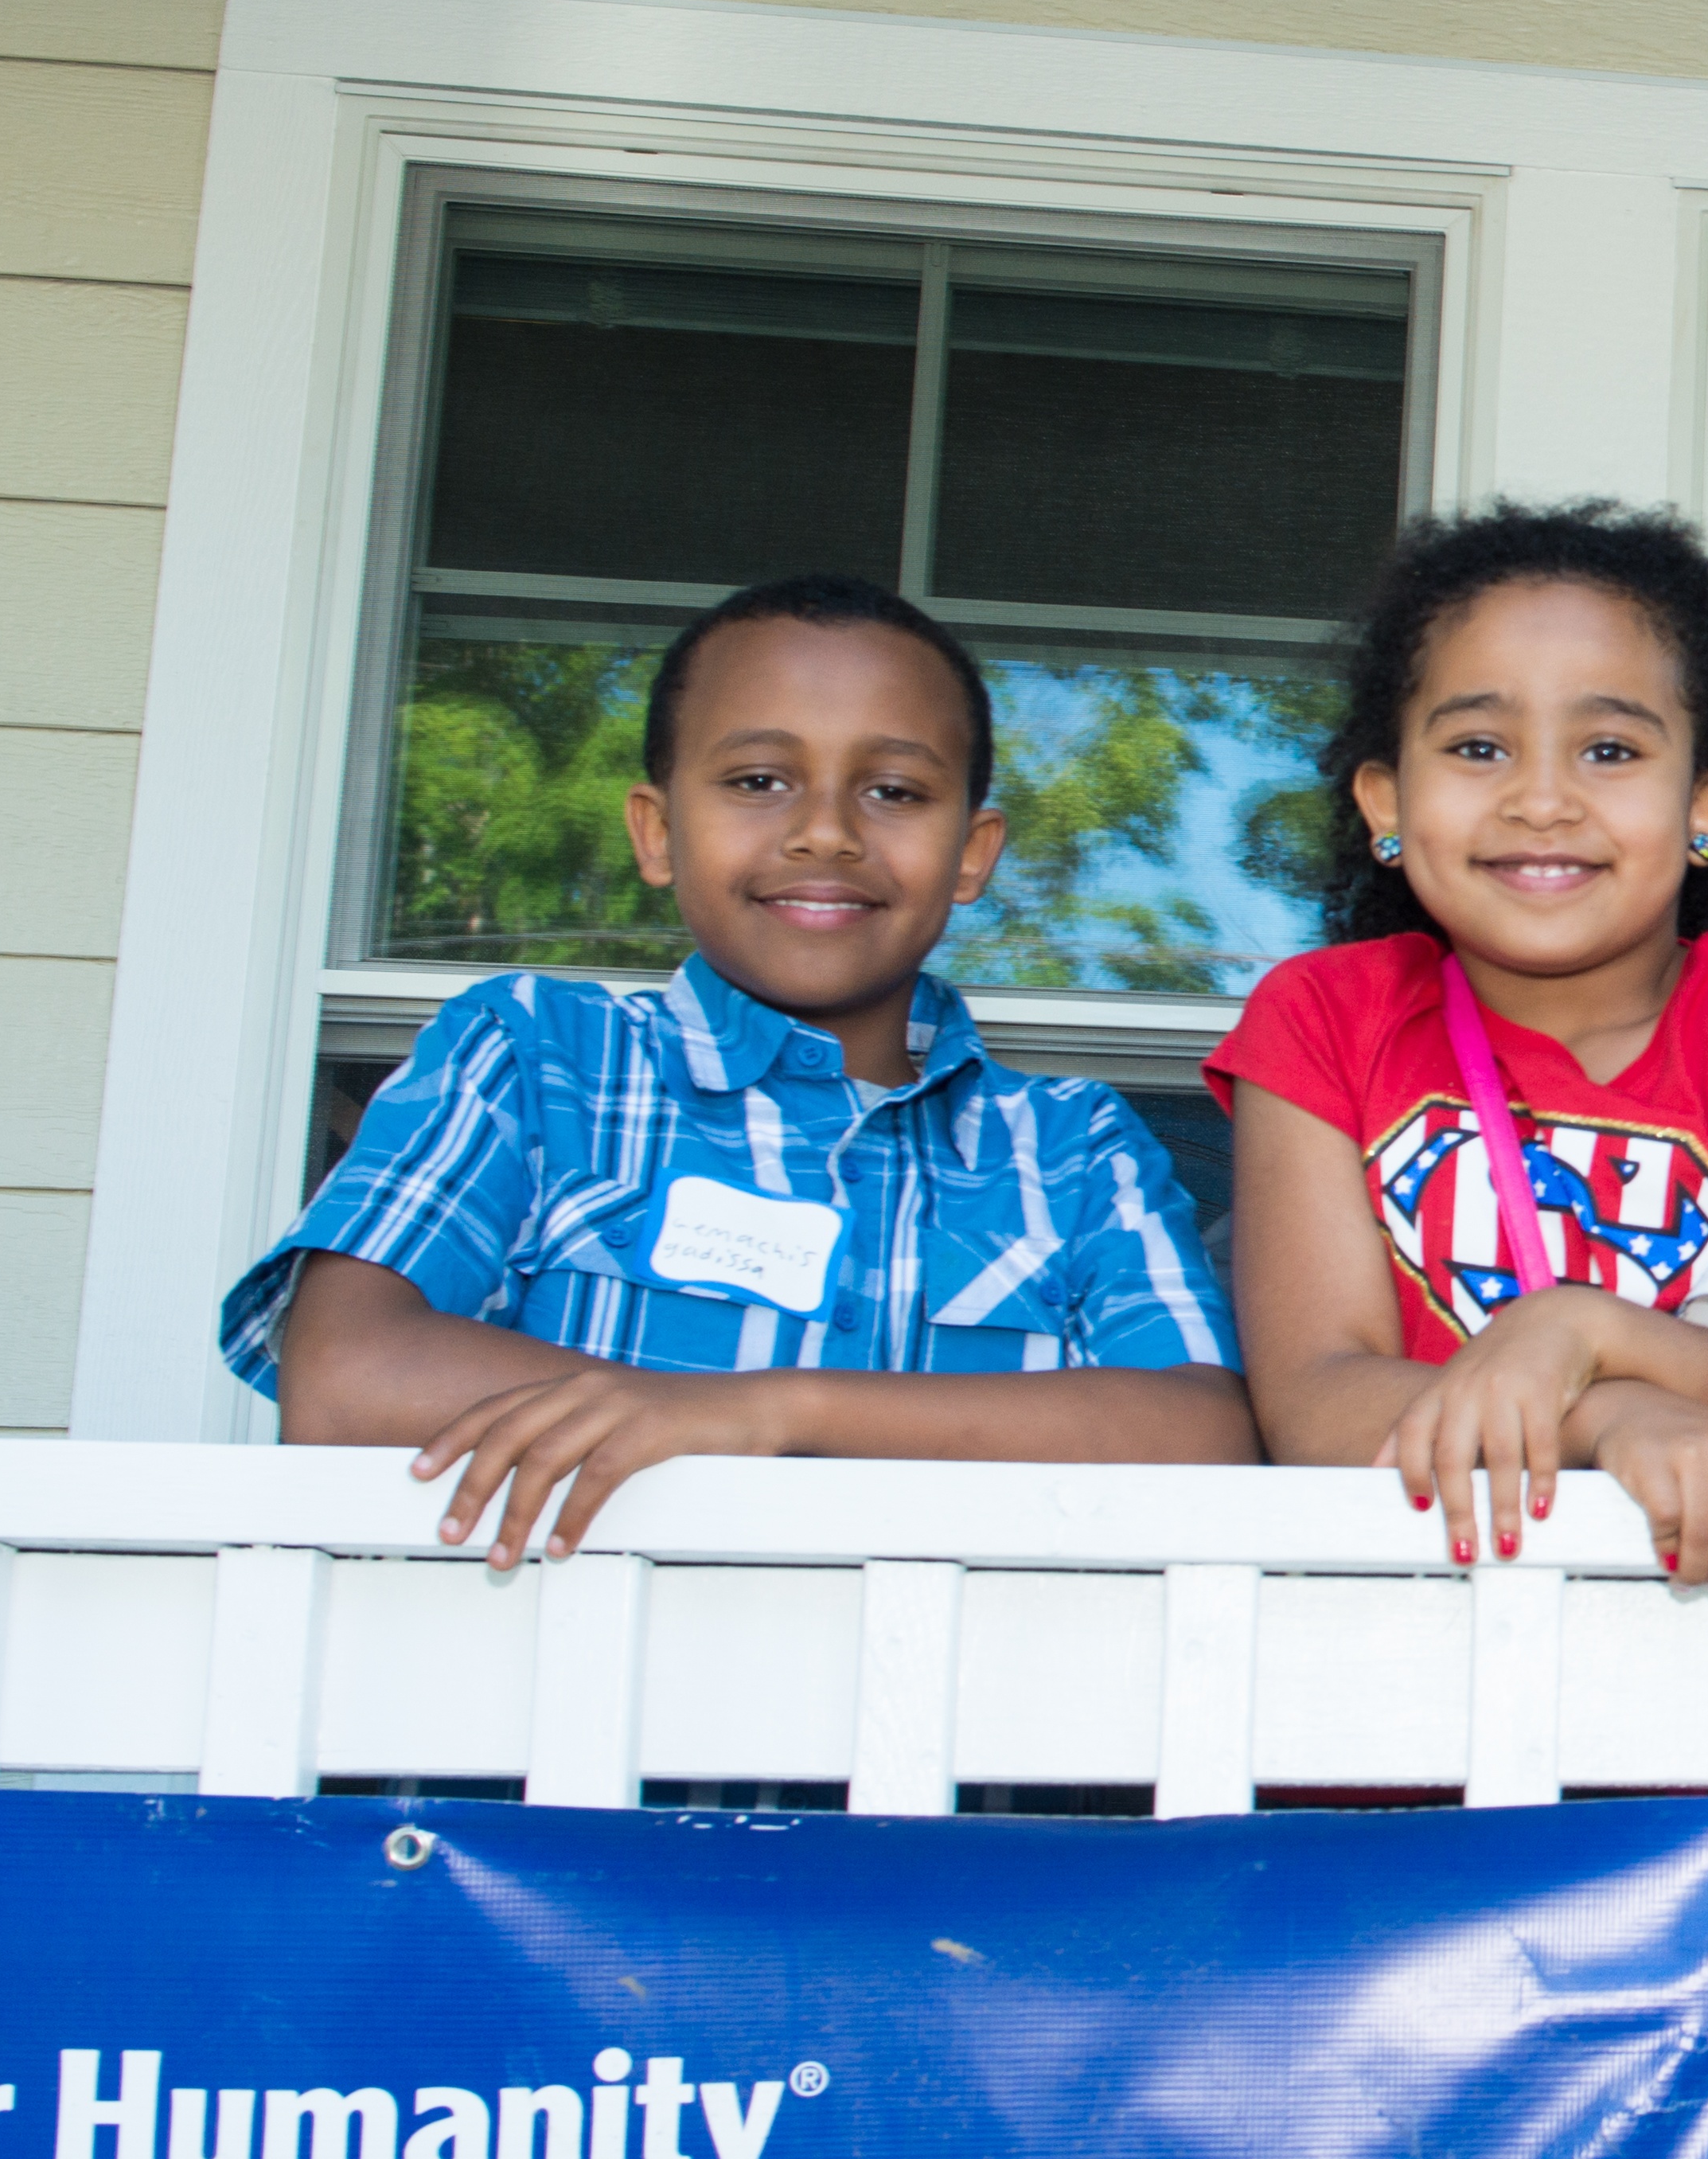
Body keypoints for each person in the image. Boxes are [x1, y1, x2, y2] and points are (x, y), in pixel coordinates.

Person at [227, 573, 1251, 1556]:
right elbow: (347, 1375)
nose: (824, 833)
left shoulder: (1074, 1148)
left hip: (941, 1716)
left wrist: (758, 1409)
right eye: (758, 781)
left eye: (895, 790)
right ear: (658, 829)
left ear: (973, 853)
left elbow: (1201, 1438)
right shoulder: (534, 1055)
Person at [1211, 502, 1708, 1587]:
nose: (1543, 799)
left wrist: (1585, 1329)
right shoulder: (1320, 1018)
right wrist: (1608, 1416)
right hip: (1385, 1676)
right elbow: (1315, 1403)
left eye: (1610, 748)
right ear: (1385, 801)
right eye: (1479, 746)